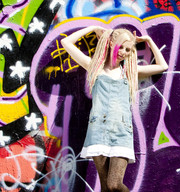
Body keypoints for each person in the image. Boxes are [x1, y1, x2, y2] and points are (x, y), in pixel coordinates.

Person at [61, 25, 168, 192]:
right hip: (98, 131)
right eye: (121, 47)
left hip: (121, 132)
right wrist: (93, 27)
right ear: (111, 43)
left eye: (128, 49)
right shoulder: (94, 67)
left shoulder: (130, 72)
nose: (123, 52)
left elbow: (162, 66)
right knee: (105, 188)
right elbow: (66, 42)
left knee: (114, 184)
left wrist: (148, 41)